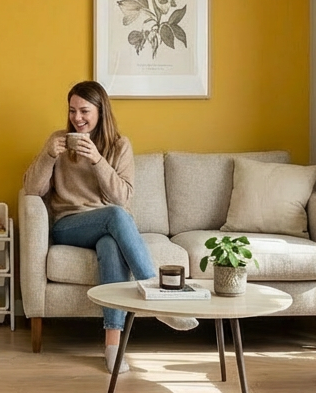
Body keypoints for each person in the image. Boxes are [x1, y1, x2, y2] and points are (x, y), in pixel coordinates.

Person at [23, 80, 196, 373]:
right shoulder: (59, 141)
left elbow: (123, 196)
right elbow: (32, 189)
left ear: (101, 112)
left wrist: (97, 160)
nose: (77, 118)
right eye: (72, 111)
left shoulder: (119, 145)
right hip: (69, 226)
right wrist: (48, 155)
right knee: (115, 216)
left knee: (110, 243)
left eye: (85, 111)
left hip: (107, 227)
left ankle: (113, 347)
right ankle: (159, 296)